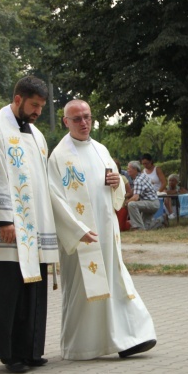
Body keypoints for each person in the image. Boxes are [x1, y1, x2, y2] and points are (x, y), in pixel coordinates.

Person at [48, 99, 157, 360]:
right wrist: (76, 230)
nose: (84, 123)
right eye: (77, 119)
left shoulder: (100, 149)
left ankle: (130, 338)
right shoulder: (59, 157)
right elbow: (54, 199)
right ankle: (82, 346)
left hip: (107, 233)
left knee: (116, 284)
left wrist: (116, 181)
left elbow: (117, 187)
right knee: (84, 289)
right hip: (82, 237)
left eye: (87, 117)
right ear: (66, 122)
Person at [0, 76, 60, 373]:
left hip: (32, 229)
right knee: (8, 293)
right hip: (8, 229)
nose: (37, 113)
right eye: (34, 105)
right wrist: (2, 220)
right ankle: (10, 354)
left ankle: (30, 350)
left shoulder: (36, 134)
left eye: (41, 107)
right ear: (18, 99)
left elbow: (40, 181)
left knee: (32, 291)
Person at [124, 161, 160, 230]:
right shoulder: (143, 175)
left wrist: (126, 202)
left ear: (135, 169)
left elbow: (135, 197)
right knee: (146, 226)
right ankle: (161, 220)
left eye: (129, 168)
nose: (127, 170)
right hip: (154, 202)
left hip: (150, 203)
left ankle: (138, 228)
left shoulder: (138, 180)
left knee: (131, 204)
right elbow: (151, 182)